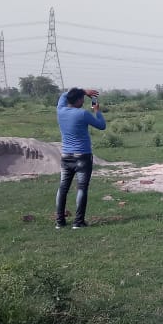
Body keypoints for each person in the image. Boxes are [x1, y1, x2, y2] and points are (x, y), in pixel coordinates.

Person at [55, 87, 106, 229]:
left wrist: (83, 91)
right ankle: (78, 222)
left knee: (63, 188)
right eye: (82, 99)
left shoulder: (60, 110)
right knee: (82, 188)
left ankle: (59, 221)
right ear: (78, 100)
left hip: (66, 156)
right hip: (82, 156)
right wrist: (97, 111)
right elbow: (102, 126)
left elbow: (63, 95)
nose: (83, 101)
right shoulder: (82, 113)